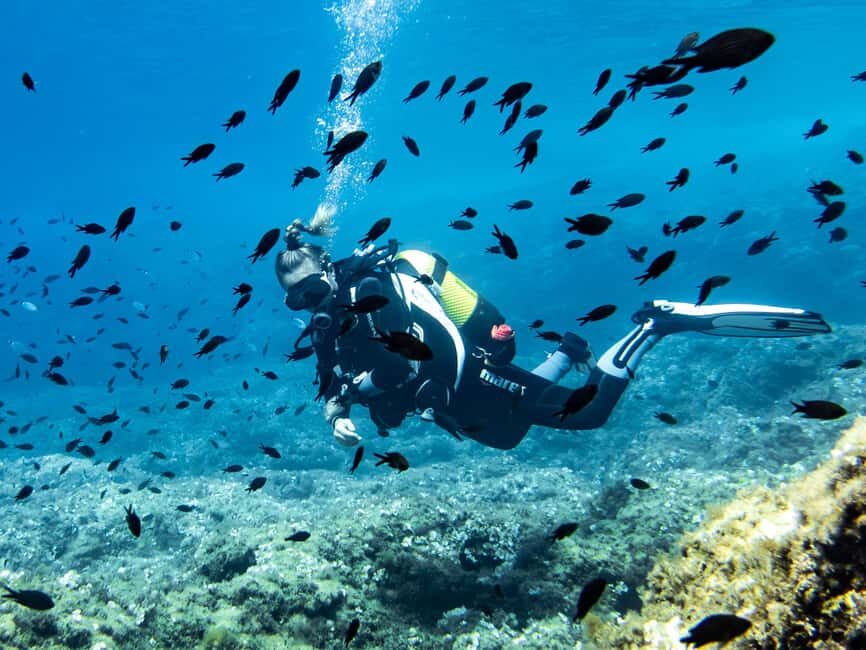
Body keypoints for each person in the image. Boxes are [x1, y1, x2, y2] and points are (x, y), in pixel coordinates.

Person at [275, 218, 832, 450]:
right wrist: (337, 414)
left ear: (327, 271)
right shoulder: (330, 326)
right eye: (296, 300)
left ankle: (657, 322)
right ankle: (567, 353)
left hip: (468, 370)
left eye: (311, 288)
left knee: (585, 415)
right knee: (509, 435)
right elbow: (331, 383)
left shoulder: (373, 290)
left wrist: (354, 394)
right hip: (455, 396)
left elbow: (401, 365)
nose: (309, 304)